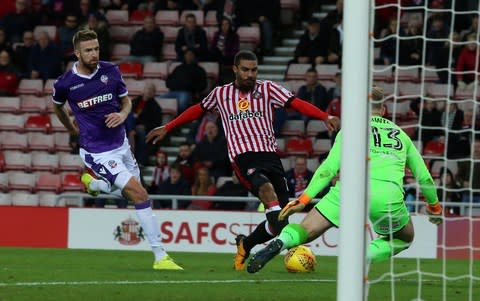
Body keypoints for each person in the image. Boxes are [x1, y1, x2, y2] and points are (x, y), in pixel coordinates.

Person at [146, 50, 339, 271]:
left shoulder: (268, 89)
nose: (250, 74)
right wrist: (168, 127)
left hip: (271, 158)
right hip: (243, 158)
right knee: (268, 193)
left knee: (280, 223)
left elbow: (296, 103)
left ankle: (245, 244)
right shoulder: (220, 94)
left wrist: (325, 116)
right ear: (235, 70)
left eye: (254, 70)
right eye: (245, 70)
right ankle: (281, 254)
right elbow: (196, 111)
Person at [246, 86, 444, 273]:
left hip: (348, 190)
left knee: (306, 229)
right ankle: (361, 257)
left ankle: (280, 242)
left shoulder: (350, 131)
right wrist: (434, 207)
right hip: (386, 194)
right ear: (383, 110)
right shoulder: (401, 136)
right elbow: (424, 177)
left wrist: (304, 199)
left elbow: (328, 169)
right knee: (404, 238)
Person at [51, 29, 182, 270]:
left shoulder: (110, 71)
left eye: (96, 48)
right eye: (88, 50)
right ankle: (161, 257)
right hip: (97, 151)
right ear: (77, 53)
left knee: (133, 194)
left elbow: (126, 100)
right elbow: (57, 106)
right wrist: (71, 127)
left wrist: (122, 115)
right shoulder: (66, 83)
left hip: (121, 145)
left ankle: (95, 185)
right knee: (140, 194)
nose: (93, 54)